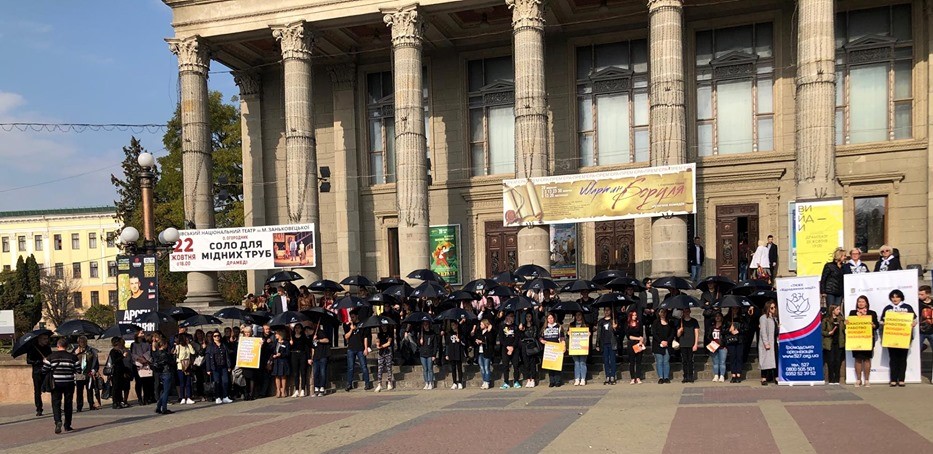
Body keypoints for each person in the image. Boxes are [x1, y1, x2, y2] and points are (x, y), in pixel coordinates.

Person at [880, 289, 917, 387]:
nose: (895, 299)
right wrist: (884, 323)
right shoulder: (888, 308)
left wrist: (914, 323)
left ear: (901, 297)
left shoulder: (907, 307)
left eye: (897, 296)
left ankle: (901, 379)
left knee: (902, 358)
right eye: (893, 297)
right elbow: (881, 321)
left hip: (904, 337)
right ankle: (893, 379)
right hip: (891, 336)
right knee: (893, 358)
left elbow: (915, 319)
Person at [43, 338, 79, 434]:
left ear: (58, 345)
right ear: (67, 346)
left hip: (56, 383)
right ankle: (67, 425)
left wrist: (45, 362)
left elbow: (44, 370)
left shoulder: (51, 357)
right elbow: (78, 370)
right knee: (68, 403)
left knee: (56, 403)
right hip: (69, 382)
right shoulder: (73, 357)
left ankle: (58, 421)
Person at [847, 295, 879, 387]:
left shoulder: (872, 313)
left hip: (868, 338)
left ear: (866, 303)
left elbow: (876, 325)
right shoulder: (852, 312)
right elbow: (849, 324)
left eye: (863, 302)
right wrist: (847, 323)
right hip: (856, 338)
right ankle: (858, 379)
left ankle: (867, 380)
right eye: (859, 301)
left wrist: (873, 325)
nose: (861, 303)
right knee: (857, 359)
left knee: (866, 359)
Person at [344, 310, 372, 391]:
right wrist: (351, 330)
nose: (352, 319)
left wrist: (366, 348)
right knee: (350, 367)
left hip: (360, 348)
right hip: (351, 348)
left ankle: (367, 383)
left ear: (356, 316)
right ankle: (349, 384)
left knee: (364, 366)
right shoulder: (348, 325)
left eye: (353, 317)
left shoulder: (362, 325)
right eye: (351, 317)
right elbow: (346, 337)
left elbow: (365, 337)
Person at [72, 335, 99, 412]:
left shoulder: (91, 350)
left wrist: (94, 370)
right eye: (81, 342)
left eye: (84, 341)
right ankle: (79, 407)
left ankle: (91, 404)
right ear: (78, 342)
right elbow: (71, 359)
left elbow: (95, 361)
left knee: (89, 390)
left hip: (88, 373)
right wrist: (75, 353)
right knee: (79, 391)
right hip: (79, 373)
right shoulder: (75, 350)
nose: (83, 343)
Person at [27, 332, 52, 416]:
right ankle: (39, 409)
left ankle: (56, 406)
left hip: (47, 371)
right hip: (37, 372)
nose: (46, 340)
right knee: (37, 391)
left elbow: (51, 358)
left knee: (52, 388)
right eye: (44, 339)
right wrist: (40, 361)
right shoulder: (33, 348)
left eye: (47, 338)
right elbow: (29, 360)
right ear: (39, 339)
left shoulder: (48, 348)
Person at [205, 331, 233, 403]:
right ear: (213, 337)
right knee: (217, 382)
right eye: (215, 336)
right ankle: (217, 397)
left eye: (218, 336)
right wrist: (208, 369)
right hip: (215, 367)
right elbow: (208, 358)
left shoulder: (223, 345)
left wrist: (229, 366)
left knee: (225, 381)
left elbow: (227, 356)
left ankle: (225, 396)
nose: (217, 337)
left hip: (223, 366)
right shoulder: (210, 346)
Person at [821, 304, 845, 385]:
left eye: (839, 309)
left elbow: (845, 329)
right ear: (833, 311)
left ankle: (837, 379)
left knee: (838, 361)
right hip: (829, 343)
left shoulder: (841, 319)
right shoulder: (826, 320)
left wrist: (847, 324)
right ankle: (831, 379)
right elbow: (822, 331)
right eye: (837, 309)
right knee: (830, 361)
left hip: (839, 342)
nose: (839, 311)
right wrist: (829, 333)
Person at [150, 338, 175, 415]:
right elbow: (172, 362)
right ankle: (164, 408)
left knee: (164, 391)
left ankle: (158, 407)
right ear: (164, 345)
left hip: (160, 373)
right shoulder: (165, 354)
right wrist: (172, 355)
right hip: (167, 372)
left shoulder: (156, 353)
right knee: (166, 391)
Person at [595, 307, 619, 385]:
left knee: (612, 360)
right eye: (605, 310)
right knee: (605, 361)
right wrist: (597, 344)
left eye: (608, 310)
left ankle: (612, 376)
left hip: (612, 343)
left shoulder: (613, 320)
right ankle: (607, 376)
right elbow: (599, 333)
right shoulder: (601, 321)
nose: (607, 312)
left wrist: (615, 328)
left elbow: (617, 333)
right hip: (604, 343)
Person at [108, 336, 131, 409]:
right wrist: (123, 356)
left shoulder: (119, 351)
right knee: (115, 387)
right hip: (115, 372)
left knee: (120, 387)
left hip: (121, 371)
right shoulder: (113, 351)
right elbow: (115, 361)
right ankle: (115, 402)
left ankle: (120, 401)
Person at [677, 308, 700, 383]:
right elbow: (677, 335)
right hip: (683, 343)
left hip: (691, 343)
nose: (686, 313)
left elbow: (696, 333)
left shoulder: (694, 321)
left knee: (690, 361)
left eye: (687, 311)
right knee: (684, 361)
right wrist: (680, 330)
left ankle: (690, 376)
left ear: (690, 312)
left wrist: (696, 344)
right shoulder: (680, 321)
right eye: (685, 312)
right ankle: (685, 376)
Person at [130, 331, 153, 406]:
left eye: (143, 333)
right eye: (141, 333)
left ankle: (146, 398)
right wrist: (139, 358)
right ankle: (139, 398)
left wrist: (145, 359)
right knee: (139, 382)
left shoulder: (146, 344)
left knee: (146, 382)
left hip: (145, 363)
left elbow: (149, 352)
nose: (143, 335)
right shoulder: (133, 344)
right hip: (137, 364)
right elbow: (133, 354)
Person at [652, 308, 675, 384]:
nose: (663, 314)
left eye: (664, 312)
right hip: (658, 345)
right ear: (659, 313)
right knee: (659, 361)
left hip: (667, 344)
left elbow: (672, 333)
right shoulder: (655, 322)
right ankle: (661, 377)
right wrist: (661, 341)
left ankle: (666, 377)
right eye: (661, 312)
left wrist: (667, 341)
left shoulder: (670, 322)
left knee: (666, 361)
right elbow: (654, 334)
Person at [498, 313, 521, 389]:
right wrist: (507, 347)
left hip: (514, 348)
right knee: (505, 366)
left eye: (512, 317)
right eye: (509, 316)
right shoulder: (502, 326)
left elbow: (517, 338)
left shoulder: (515, 327)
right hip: (505, 348)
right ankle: (506, 382)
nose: (511, 318)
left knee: (516, 365)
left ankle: (516, 381)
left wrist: (512, 347)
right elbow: (501, 338)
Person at [759, 301, 779, 385]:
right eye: (771, 308)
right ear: (768, 308)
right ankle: (763, 378)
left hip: (774, 341)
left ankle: (776, 377)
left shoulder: (774, 318)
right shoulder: (763, 318)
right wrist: (766, 343)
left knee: (775, 359)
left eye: (774, 307)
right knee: (765, 359)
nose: (774, 309)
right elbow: (763, 331)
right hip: (767, 342)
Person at [519, 311, 540, 388]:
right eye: (527, 317)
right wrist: (522, 330)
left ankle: (533, 379)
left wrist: (526, 332)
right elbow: (521, 337)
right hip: (525, 345)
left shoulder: (534, 326)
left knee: (532, 363)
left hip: (532, 345)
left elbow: (534, 335)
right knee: (526, 363)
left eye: (529, 317)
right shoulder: (523, 327)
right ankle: (528, 379)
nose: (528, 318)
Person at [705, 312, 728, 382]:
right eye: (716, 316)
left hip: (722, 347)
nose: (717, 317)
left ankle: (722, 376)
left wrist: (725, 345)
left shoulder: (724, 326)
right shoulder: (712, 327)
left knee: (722, 362)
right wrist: (711, 341)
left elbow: (726, 336)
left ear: (721, 317)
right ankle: (716, 375)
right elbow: (708, 336)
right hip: (713, 346)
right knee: (715, 362)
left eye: (719, 316)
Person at [568, 312, 590, 386]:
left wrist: (589, 334)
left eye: (579, 315)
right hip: (574, 346)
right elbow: (568, 336)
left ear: (582, 316)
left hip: (583, 347)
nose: (578, 316)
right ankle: (577, 378)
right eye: (576, 315)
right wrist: (568, 334)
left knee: (582, 362)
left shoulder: (586, 325)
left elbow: (587, 335)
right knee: (576, 363)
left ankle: (583, 378)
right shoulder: (571, 325)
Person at [174, 334, 195, 405]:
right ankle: (182, 397)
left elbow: (193, 352)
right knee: (182, 382)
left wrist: (189, 345)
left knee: (188, 382)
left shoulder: (187, 346)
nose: (187, 340)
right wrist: (182, 361)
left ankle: (188, 397)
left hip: (188, 366)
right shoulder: (178, 346)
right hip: (180, 366)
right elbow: (176, 356)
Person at [726, 308, 746, 383]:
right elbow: (723, 330)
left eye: (736, 309)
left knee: (739, 357)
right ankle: (733, 374)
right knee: (732, 357)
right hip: (731, 341)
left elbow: (746, 328)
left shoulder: (742, 318)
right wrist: (729, 329)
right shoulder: (727, 318)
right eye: (733, 309)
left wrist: (738, 331)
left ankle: (738, 374)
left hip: (739, 340)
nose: (735, 310)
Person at [311, 322, 331, 397]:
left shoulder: (321, 332)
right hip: (316, 356)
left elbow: (327, 340)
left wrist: (318, 340)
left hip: (323, 355)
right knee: (316, 373)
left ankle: (322, 387)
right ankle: (316, 388)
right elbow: (312, 348)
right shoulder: (313, 335)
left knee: (322, 372)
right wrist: (311, 357)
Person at [624, 311, 644, 385]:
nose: (635, 316)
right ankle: (632, 378)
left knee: (638, 361)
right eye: (633, 315)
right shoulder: (627, 324)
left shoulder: (639, 323)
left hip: (638, 343)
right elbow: (629, 336)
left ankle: (638, 377)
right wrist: (638, 338)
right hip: (631, 344)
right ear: (630, 316)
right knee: (632, 362)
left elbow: (641, 334)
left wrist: (641, 341)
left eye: (636, 315)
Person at [290, 324, 309, 397]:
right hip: (294, 354)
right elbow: (289, 348)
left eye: (299, 328)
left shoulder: (304, 337)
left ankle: (303, 389)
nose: (297, 329)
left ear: (301, 329)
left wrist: (308, 357)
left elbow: (306, 347)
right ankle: (297, 390)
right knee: (295, 373)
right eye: (296, 328)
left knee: (303, 372)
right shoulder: (292, 337)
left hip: (302, 354)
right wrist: (290, 344)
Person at [418, 320, 439, 390]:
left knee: (430, 368)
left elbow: (435, 345)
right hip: (423, 353)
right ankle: (426, 382)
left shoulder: (432, 334)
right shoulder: (421, 334)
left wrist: (434, 355)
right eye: (424, 325)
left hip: (430, 353)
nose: (425, 326)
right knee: (425, 369)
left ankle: (430, 382)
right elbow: (418, 344)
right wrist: (420, 341)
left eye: (426, 324)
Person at [445, 322, 466, 389]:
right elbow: (447, 344)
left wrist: (459, 340)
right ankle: (454, 382)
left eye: (454, 325)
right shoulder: (449, 334)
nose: (453, 326)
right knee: (453, 368)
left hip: (458, 352)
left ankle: (460, 382)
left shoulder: (461, 333)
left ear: (457, 325)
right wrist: (446, 354)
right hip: (451, 352)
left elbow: (464, 344)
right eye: (452, 325)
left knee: (459, 368)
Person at [375, 323, 395, 392]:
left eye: (384, 326)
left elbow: (389, 343)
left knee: (388, 366)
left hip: (388, 351)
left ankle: (389, 382)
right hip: (381, 352)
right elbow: (377, 341)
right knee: (380, 367)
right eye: (382, 326)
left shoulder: (390, 333)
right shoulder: (379, 334)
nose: (383, 327)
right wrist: (377, 344)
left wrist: (381, 346)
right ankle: (379, 383)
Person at [271, 329, 291, 398]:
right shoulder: (275, 342)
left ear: (280, 334)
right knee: (276, 376)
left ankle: (283, 390)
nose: (275, 335)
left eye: (276, 334)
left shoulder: (286, 343)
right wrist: (274, 355)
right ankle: (278, 390)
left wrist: (281, 354)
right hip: (276, 360)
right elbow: (272, 350)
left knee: (283, 376)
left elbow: (288, 353)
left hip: (283, 361)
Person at [919, 285, 933, 353]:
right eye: (919, 294)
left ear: (928, 294)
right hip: (920, 332)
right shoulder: (917, 303)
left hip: (931, 331)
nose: (919, 296)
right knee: (917, 351)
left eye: (922, 294)